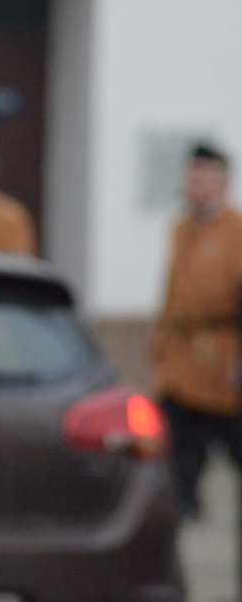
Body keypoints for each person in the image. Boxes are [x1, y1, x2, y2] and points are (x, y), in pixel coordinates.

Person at [148, 143, 242, 520]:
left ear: (221, 184)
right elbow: (172, 290)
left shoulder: (235, 230)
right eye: (191, 178)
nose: (195, 187)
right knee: (174, 443)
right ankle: (183, 508)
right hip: (179, 358)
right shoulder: (181, 227)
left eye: (204, 179)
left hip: (221, 359)